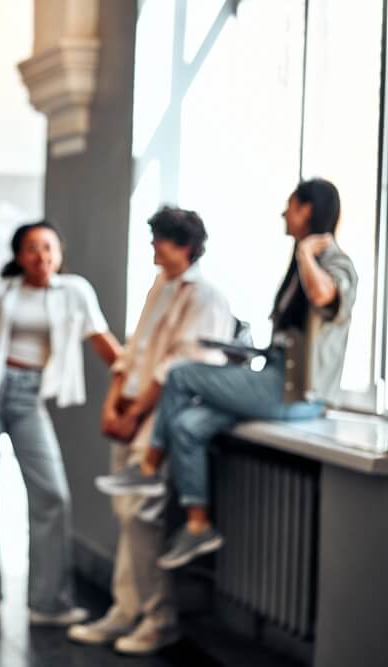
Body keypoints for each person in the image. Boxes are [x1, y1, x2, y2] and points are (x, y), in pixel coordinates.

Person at [97, 179, 357, 572]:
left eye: (290, 206)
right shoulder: (162, 287)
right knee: (187, 425)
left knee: (182, 374)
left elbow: (324, 297)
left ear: (308, 210)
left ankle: (149, 469)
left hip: (298, 395)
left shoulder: (331, 261)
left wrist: (306, 249)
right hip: (273, 377)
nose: (283, 214)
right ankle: (198, 525)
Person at [68, 206, 233, 656]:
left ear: (183, 244)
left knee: (142, 518)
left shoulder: (205, 298)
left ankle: (159, 619)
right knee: (127, 517)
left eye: (160, 239)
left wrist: (135, 414)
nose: (153, 247)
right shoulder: (159, 286)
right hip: (132, 414)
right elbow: (134, 351)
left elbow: (177, 370)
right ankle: (126, 610)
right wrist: (111, 405)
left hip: (155, 421)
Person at [0, 222, 120, 627]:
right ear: (18, 256)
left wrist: (136, 381)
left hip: (31, 398)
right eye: (31, 249)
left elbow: (103, 341)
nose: (41, 256)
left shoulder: (75, 292)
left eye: (48, 248)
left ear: (59, 254)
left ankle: (48, 603)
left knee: (52, 495)